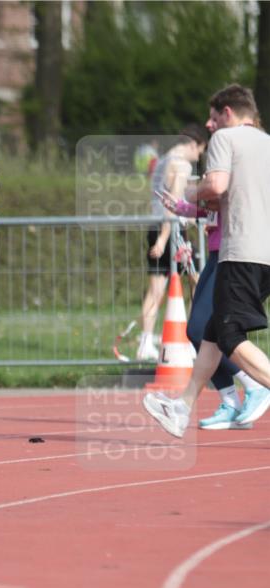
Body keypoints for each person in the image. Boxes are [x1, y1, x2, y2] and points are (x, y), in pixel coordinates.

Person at [144, 85, 270, 437]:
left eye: (214, 117)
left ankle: (255, 389)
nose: (208, 125)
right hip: (264, 255)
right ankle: (181, 407)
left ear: (228, 113)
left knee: (228, 333)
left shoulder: (226, 141)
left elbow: (215, 185)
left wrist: (189, 193)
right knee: (213, 332)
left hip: (241, 250)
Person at [132, 125, 208, 362]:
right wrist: (166, 239)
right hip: (172, 231)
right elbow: (173, 204)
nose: (199, 157)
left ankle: (145, 343)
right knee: (200, 279)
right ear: (194, 144)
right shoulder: (182, 164)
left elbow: (164, 199)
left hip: (155, 227)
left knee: (156, 289)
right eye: (201, 151)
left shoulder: (163, 161)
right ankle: (197, 341)